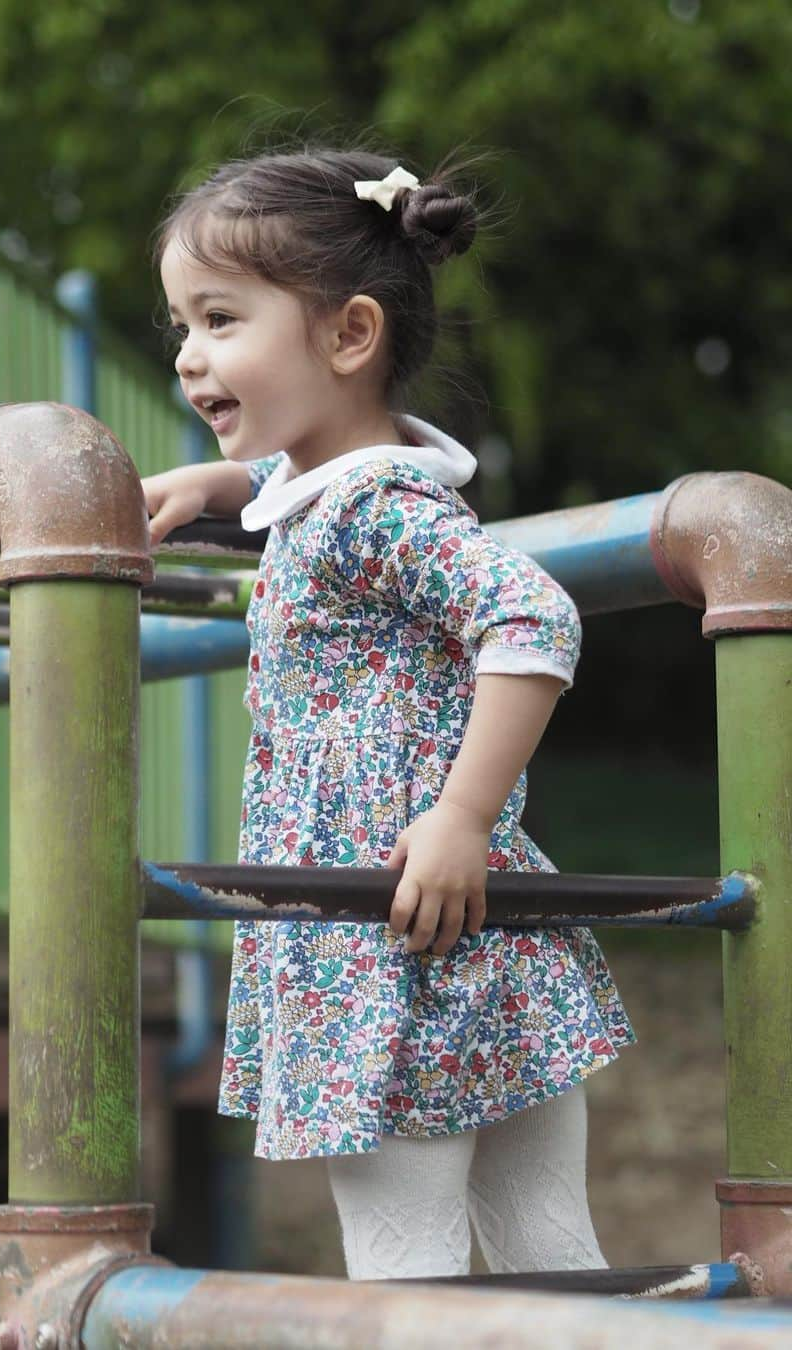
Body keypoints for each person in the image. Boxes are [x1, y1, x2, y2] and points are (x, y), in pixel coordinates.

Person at [143, 147, 634, 1279]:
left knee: (404, 1277)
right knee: (548, 1258)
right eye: (180, 324)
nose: (187, 356)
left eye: (219, 319)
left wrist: (463, 813)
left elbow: (534, 621)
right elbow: (298, 494)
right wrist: (216, 489)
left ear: (349, 335)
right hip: (471, 941)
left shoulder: (376, 514)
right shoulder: (353, 494)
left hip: (386, 937)